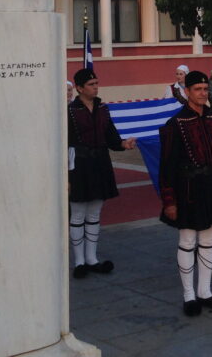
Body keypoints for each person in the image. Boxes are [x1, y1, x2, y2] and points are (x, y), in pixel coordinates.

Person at [158, 70, 212, 316]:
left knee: (208, 240)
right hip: (187, 188)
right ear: (187, 92)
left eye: (205, 89)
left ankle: (205, 292)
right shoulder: (175, 124)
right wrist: (169, 201)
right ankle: (188, 296)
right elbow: (166, 166)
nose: (202, 93)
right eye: (197, 89)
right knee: (187, 241)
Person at [67, 68, 136, 279]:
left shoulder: (103, 108)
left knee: (95, 212)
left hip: (100, 163)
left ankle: (92, 258)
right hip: (78, 164)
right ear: (79, 88)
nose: (96, 87)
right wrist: (65, 175)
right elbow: (63, 143)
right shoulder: (70, 111)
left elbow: (111, 137)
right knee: (78, 212)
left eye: (97, 83)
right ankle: (79, 261)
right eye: (91, 84)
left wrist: (124, 144)